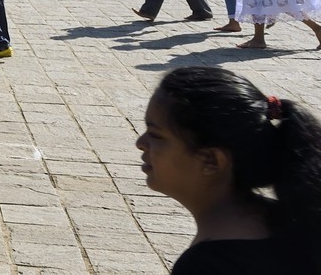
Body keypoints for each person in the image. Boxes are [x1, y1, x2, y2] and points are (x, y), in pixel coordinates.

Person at [136, 65, 321, 273]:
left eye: (156, 135)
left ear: (211, 160)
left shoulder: (209, 265)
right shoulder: (295, 220)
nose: (140, 143)